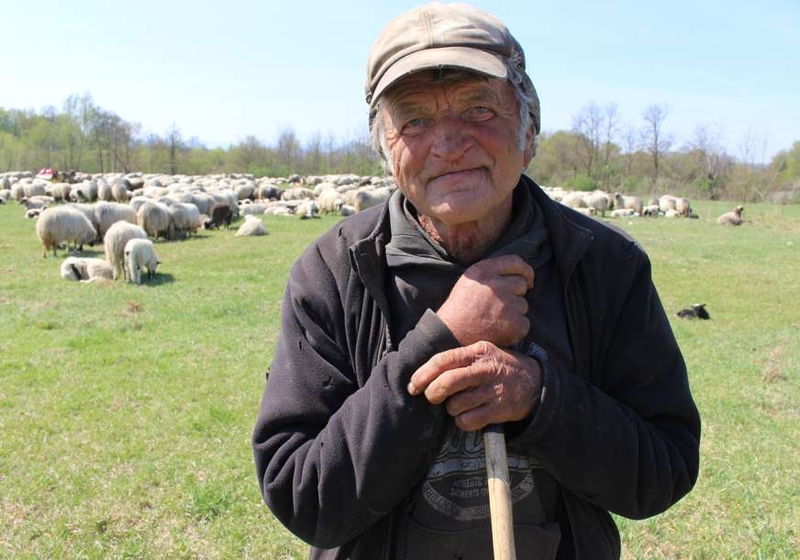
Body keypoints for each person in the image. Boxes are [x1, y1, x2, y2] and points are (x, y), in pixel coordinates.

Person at [252, 3, 701, 559]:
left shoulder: (605, 265)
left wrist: (539, 397)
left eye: (480, 108)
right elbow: (305, 498)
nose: (449, 142)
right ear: (386, 150)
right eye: (414, 120)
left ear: (528, 129)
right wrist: (439, 340)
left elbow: (665, 468)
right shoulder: (334, 271)